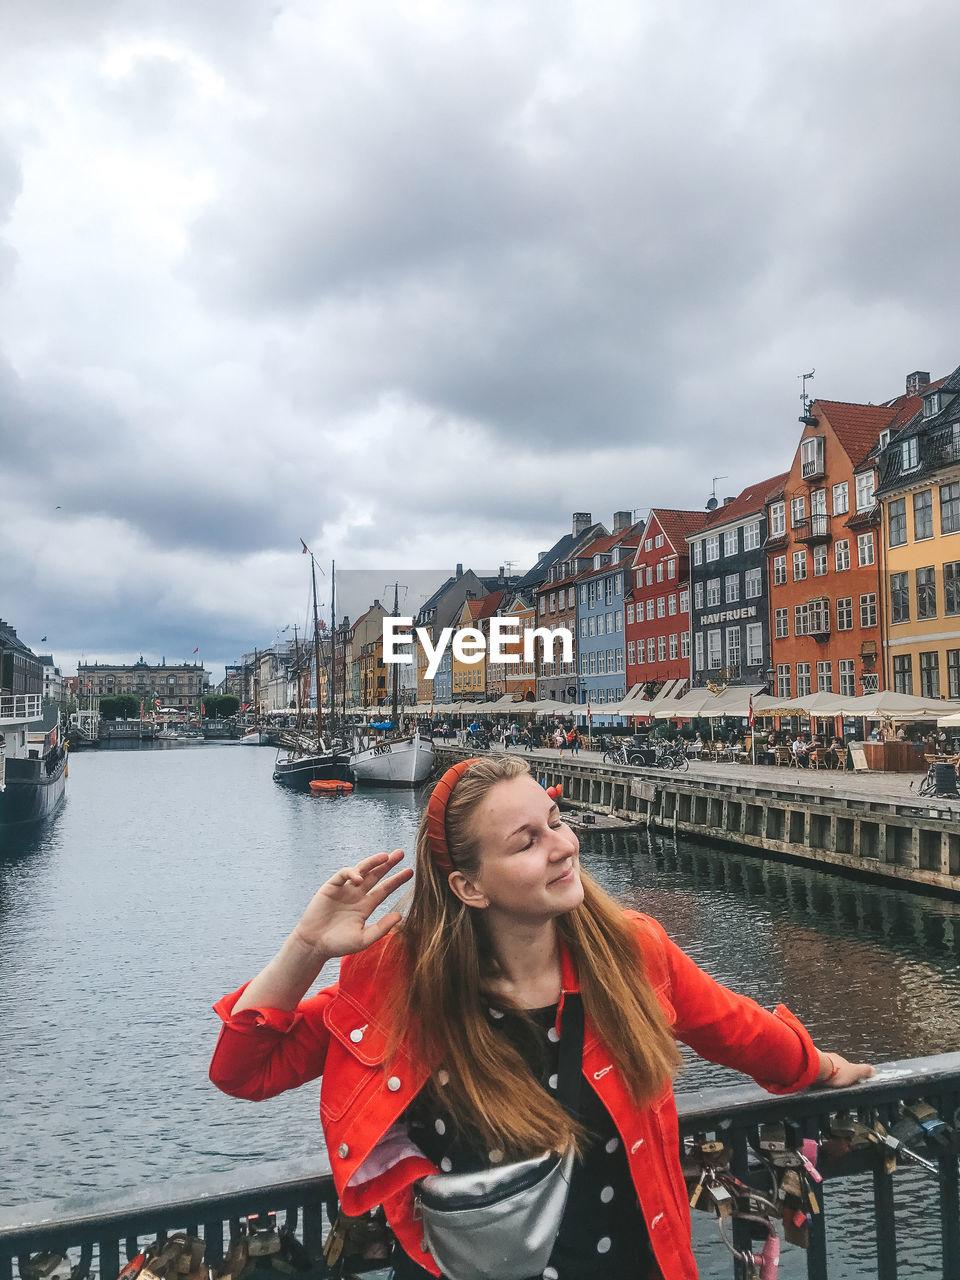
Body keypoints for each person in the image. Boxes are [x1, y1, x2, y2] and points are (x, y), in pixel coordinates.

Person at [209, 756, 873, 1280]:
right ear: (470, 886)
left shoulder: (630, 952)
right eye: (528, 841)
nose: (563, 846)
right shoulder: (405, 985)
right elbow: (245, 1071)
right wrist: (305, 949)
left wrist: (818, 1065)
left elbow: (736, 1029)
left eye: (555, 821)